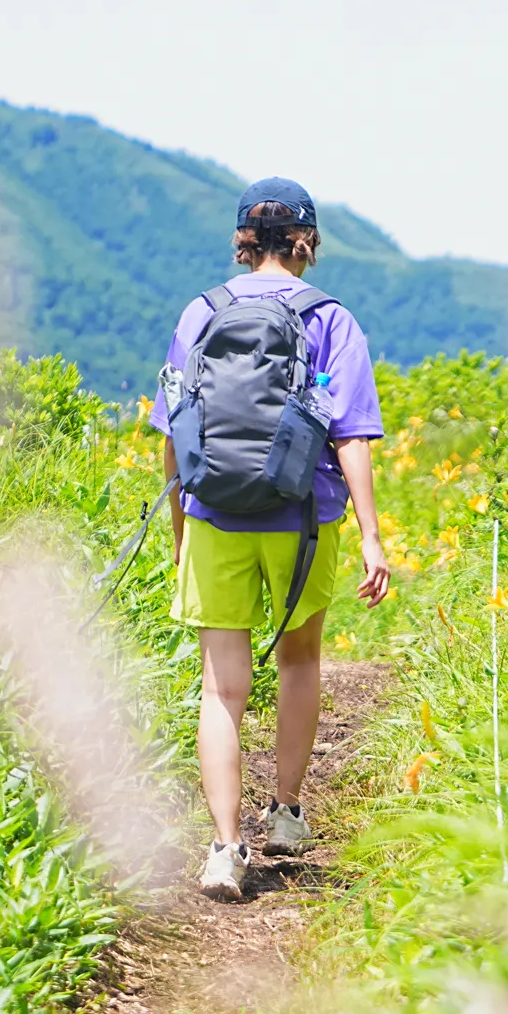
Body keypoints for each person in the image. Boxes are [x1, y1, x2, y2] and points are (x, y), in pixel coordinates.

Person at [152, 177, 391, 900]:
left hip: (214, 512)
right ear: (306, 241)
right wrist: (374, 538)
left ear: (244, 240)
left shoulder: (202, 312)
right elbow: (350, 436)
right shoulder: (330, 319)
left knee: (221, 688)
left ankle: (226, 850)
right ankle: (285, 813)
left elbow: (173, 432)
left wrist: (179, 532)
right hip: (301, 521)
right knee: (298, 660)